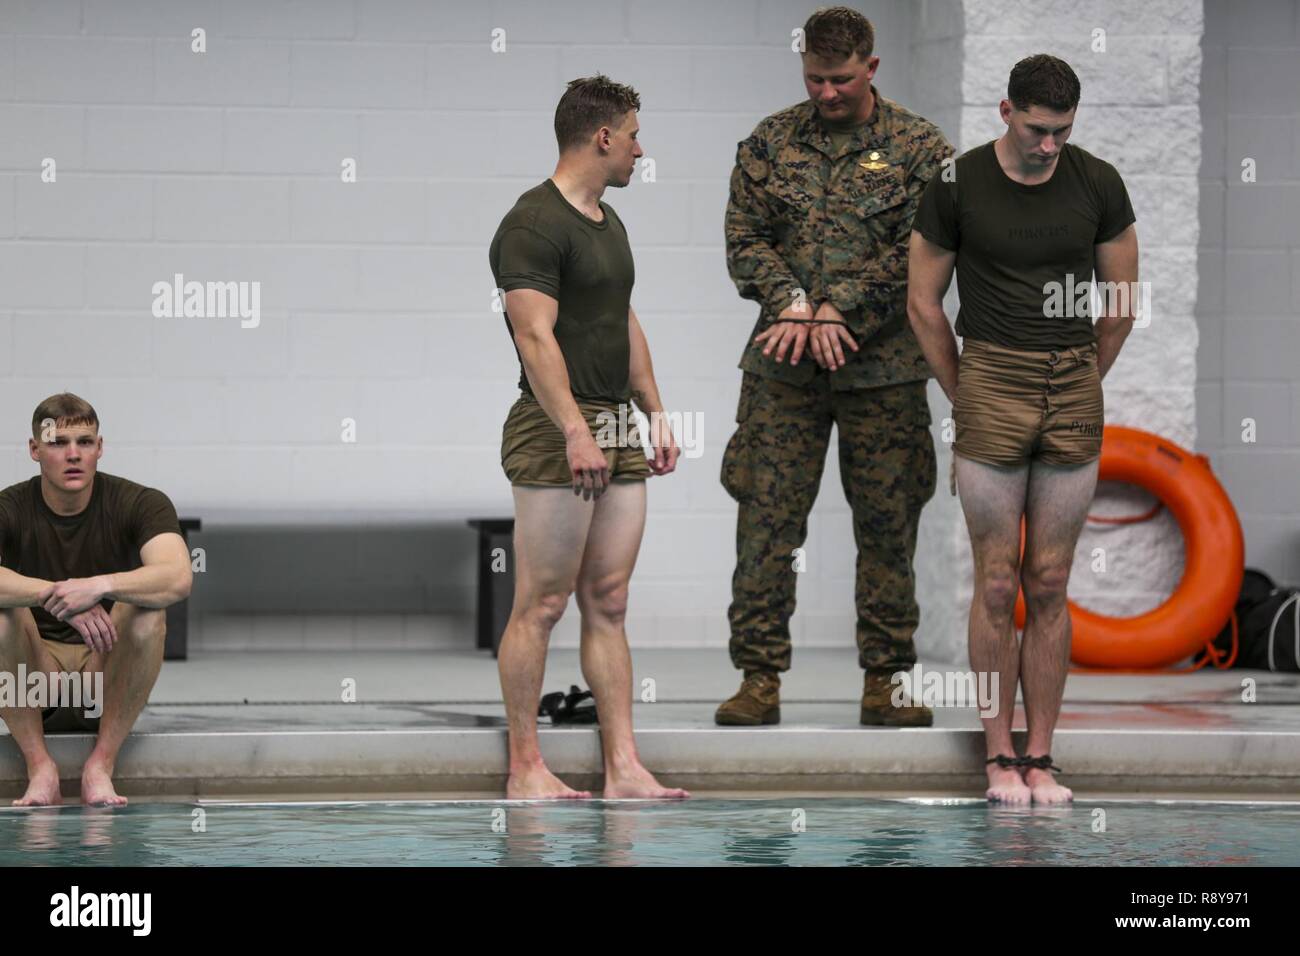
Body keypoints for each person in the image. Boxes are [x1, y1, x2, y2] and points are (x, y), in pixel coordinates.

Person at [907, 54, 1139, 804]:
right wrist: (964, 389)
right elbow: (923, 302)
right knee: (998, 578)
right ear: (1006, 112)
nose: (1049, 146)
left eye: (1062, 132)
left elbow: (1122, 301)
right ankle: (997, 755)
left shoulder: (1096, 181)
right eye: (1038, 130)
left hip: (1070, 377)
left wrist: (1080, 383)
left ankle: (1042, 755)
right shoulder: (956, 182)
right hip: (992, 376)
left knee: (1049, 580)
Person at [719, 7, 951, 727]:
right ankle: (758, 679)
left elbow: (923, 251)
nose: (826, 93)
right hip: (785, 364)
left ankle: (887, 680)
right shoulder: (769, 141)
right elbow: (744, 239)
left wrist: (839, 308)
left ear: (871, 68)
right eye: (815, 78)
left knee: (887, 527)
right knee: (767, 522)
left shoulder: (919, 147)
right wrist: (792, 302)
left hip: (882, 370)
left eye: (841, 79)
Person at [488, 75, 688, 800]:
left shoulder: (608, 219)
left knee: (609, 600)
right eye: (634, 134)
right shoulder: (532, 224)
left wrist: (655, 410)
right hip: (554, 428)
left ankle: (623, 767)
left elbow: (621, 320)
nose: (641, 148)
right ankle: (525, 769)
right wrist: (575, 429)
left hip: (616, 423)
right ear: (603, 137)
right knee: (541, 602)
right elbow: (534, 337)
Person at [0, 393, 192, 807]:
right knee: (0, 618)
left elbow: (177, 576)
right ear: (34, 450)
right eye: (57, 443)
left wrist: (100, 585)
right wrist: (54, 593)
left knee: (146, 614)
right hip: (36, 681)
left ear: (99, 448)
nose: (73, 455)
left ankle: (100, 765)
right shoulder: (8, 508)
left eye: (84, 442)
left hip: (105, 674)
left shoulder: (141, 502)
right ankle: (41, 767)